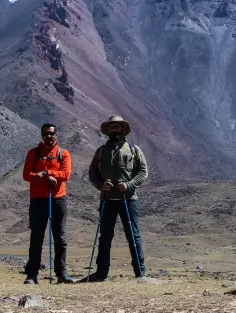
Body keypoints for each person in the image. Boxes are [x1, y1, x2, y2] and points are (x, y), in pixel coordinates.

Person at [82, 115, 149, 282]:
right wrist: (100, 185)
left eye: (117, 127)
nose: (114, 129)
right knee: (105, 236)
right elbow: (92, 174)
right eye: (111, 127)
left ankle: (140, 273)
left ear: (122, 129)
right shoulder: (101, 151)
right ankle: (101, 273)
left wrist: (129, 185)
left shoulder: (134, 149)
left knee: (133, 235)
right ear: (108, 130)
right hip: (107, 199)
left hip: (128, 198)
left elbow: (143, 171)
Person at [22, 123, 73, 284]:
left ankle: (61, 273)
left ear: (56, 135)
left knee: (60, 238)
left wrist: (47, 173)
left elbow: (65, 174)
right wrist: (41, 176)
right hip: (38, 200)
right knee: (36, 237)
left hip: (58, 198)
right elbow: (26, 175)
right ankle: (32, 275)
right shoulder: (33, 153)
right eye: (45, 134)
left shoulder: (63, 154)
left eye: (51, 133)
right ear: (42, 136)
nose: (48, 136)